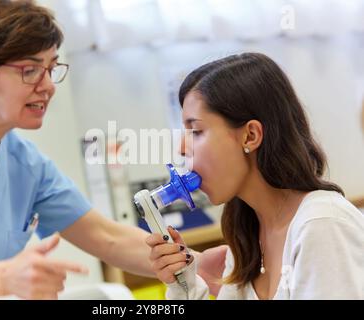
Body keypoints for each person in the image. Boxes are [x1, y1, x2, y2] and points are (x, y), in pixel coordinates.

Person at [0, 0, 226, 300]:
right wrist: (2, 278)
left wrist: (195, 263)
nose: (48, 86)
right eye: (30, 70)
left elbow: (108, 238)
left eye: (51, 69)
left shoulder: (26, 166)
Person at [146, 53, 364, 300]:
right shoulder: (247, 237)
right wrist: (183, 284)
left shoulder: (321, 225)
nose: (182, 148)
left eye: (195, 131)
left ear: (250, 136)